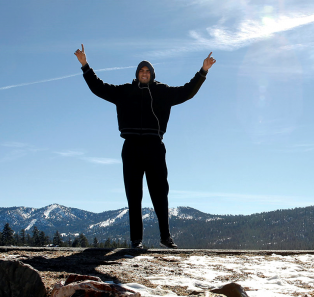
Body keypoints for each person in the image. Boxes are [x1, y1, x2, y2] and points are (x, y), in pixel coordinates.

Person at [74, 44, 216, 249]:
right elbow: (99, 87)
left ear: (152, 74)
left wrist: (203, 71)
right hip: (131, 147)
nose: (144, 73)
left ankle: (165, 237)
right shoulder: (124, 91)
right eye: (141, 70)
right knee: (134, 194)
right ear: (137, 73)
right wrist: (85, 65)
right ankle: (136, 240)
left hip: (154, 147)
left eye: (147, 71)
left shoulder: (162, 92)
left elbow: (187, 92)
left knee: (160, 193)